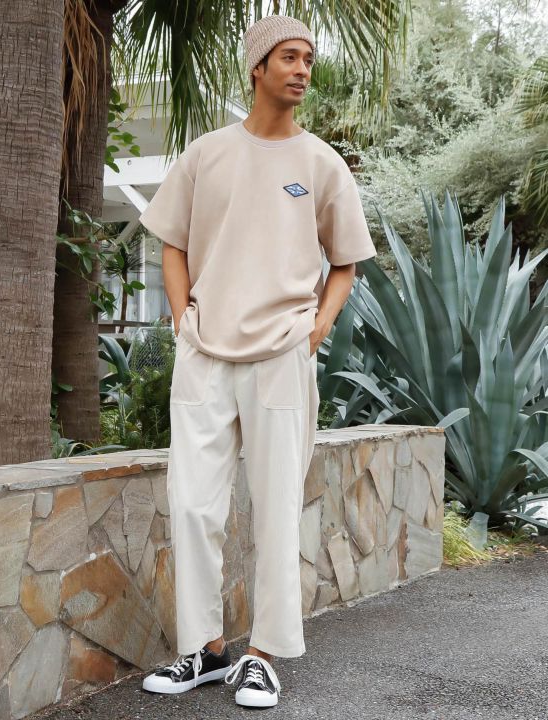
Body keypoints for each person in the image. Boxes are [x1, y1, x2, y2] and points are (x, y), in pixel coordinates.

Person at [139, 14, 377, 709]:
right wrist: (183, 319)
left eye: (308, 59)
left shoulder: (321, 164)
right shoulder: (206, 155)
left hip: (281, 354)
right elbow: (172, 242)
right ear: (257, 67)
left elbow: (346, 262)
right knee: (192, 505)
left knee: (276, 509)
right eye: (289, 57)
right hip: (205, 352)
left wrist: (315, 331)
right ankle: (206, 650)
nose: (302, 70)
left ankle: (265, 655)